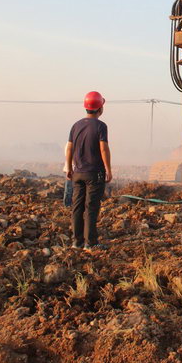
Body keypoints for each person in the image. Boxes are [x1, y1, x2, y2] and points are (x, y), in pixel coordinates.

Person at [66, 91, 112, 251]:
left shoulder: (76, 125)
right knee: (91, 207)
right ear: (100, 108)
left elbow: (69, 148)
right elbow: (103, 148)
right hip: (94, 173)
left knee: (77, 206)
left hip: (77, 172)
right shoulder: (101, 126)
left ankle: (77, 242)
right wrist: (108, 169)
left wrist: (69, 167)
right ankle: (90, 243)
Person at [62, 142, 73, 207]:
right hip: (71, 169)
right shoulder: (70, 144)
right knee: (69, 189)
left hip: (74, 169)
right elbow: (68, 154)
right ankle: (67, 205)